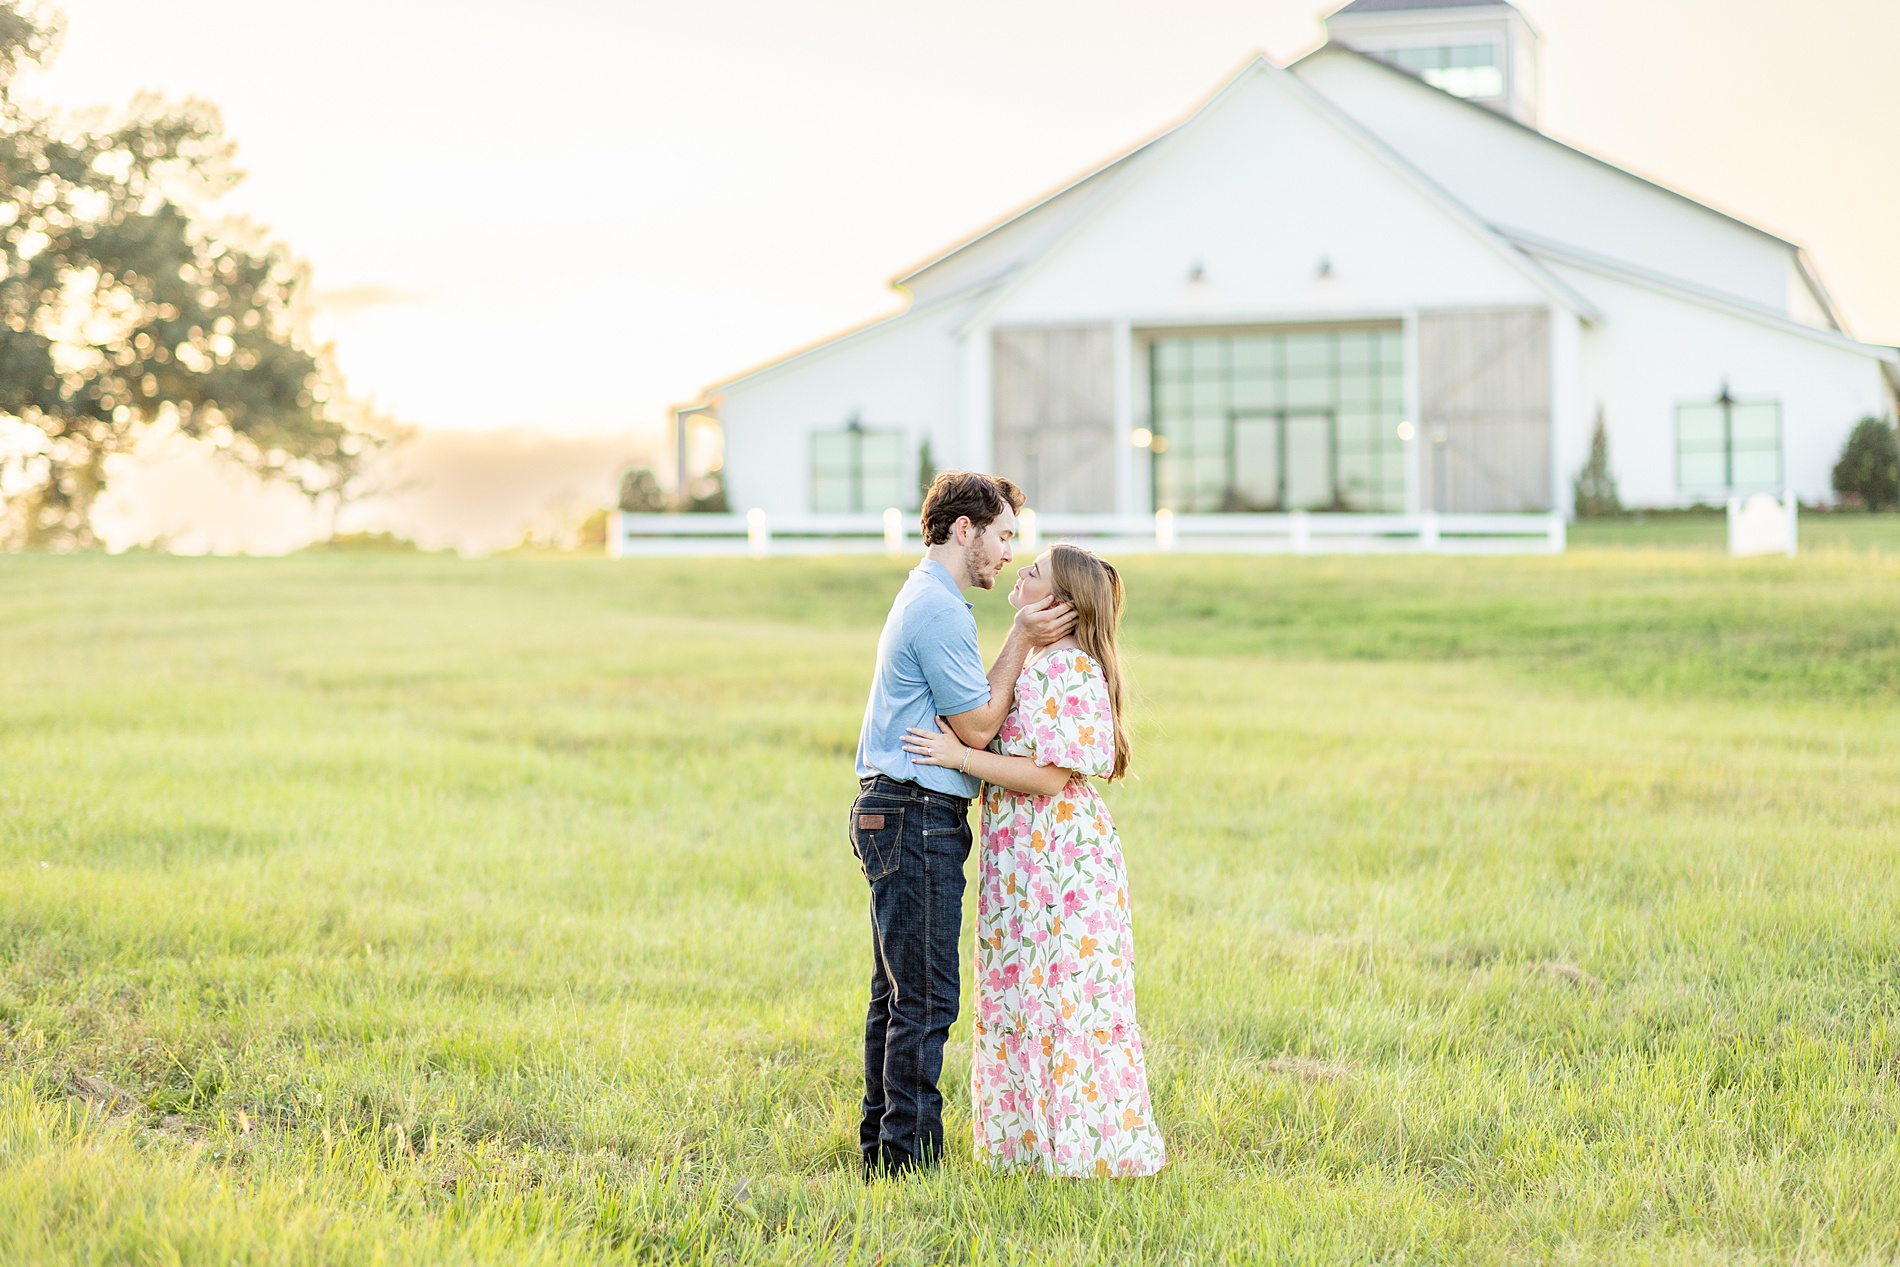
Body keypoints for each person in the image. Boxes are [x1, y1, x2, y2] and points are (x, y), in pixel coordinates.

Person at [903, 542, 1165, 1178]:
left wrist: (958, 757)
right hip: (1023, 856)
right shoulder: (1038, 661)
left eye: (1036, 570)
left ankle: (1085, 1151)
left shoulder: (1069, 669)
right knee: (1023, 996)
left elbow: (1048, 778)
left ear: (1061, 604)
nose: (1021, 568)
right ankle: (1027, 1149)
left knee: (1064, 999)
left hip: (1058, 857)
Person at [850, 470, 1076, 1178]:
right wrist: (1018, 635)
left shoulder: (929, 596)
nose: (1008, 551)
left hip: (906, 809)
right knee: (925, 995)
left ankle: (884, 1153)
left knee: (897, 992)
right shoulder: (940, 608)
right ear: (963, 528)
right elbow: (978, 726)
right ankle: (909, 1164)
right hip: (915, 813)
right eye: (1004, 534)